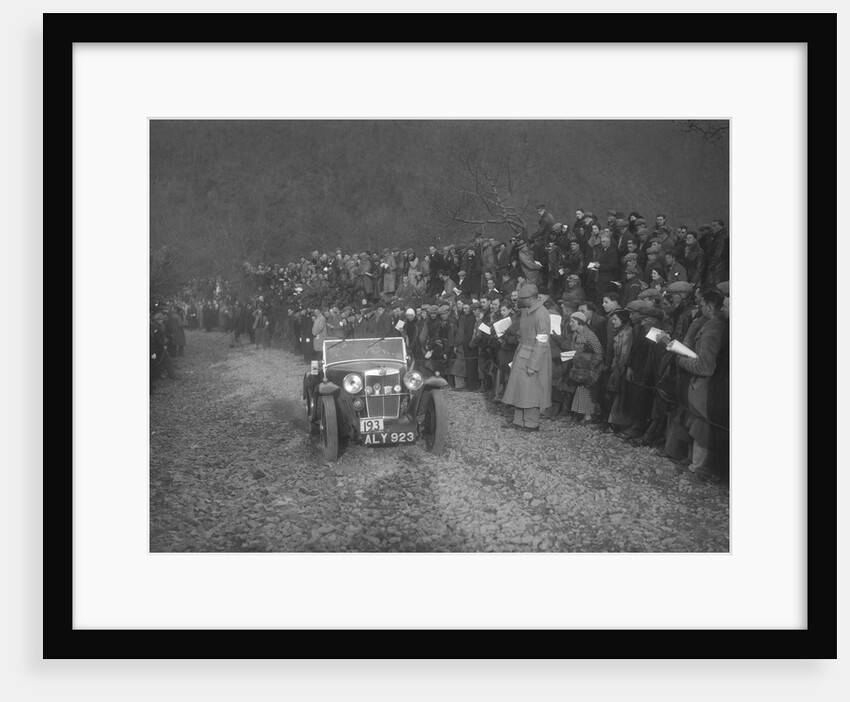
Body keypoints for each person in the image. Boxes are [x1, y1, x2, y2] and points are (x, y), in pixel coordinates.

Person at [500, 283, 552, 431]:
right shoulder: (526, 310)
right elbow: (522, 331)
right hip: (522, 351)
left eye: (523, 298)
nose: (520, 301)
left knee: (531, 391)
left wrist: (534, 365)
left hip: (535, 355)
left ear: (530, 298)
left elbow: (542, 342)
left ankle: (531, 423)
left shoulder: (542, 314)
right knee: (519, 388)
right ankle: (518, 421)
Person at [563, 311, 604, 423]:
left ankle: (588, 417)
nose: (570, 324)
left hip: (590, 369)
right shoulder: (576, 334)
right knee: (581, 390)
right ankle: (584, 416)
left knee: (587, 391)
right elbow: (575, 351)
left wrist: (593, 369)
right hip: (580, 368)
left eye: (573, 322)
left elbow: (599, 352)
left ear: (580, 322)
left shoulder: (589, 335)